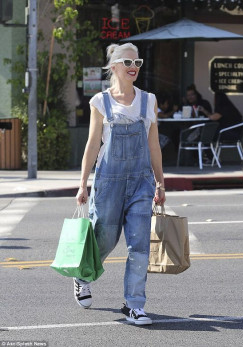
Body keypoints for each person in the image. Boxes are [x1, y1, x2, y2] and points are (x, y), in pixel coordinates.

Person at [75, 42, 165, 325]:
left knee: (139, 246)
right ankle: (82, 276)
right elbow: (92, 144)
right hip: (108, 181)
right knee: (104, 240)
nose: (133, 68)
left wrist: (160, 182)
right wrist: (82, 184)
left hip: (141, 183)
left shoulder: (148, 100)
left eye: (137, 63)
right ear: (113, 67)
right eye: (127, 63)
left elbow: (153, 145)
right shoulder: (100, 101)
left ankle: (134, 304)